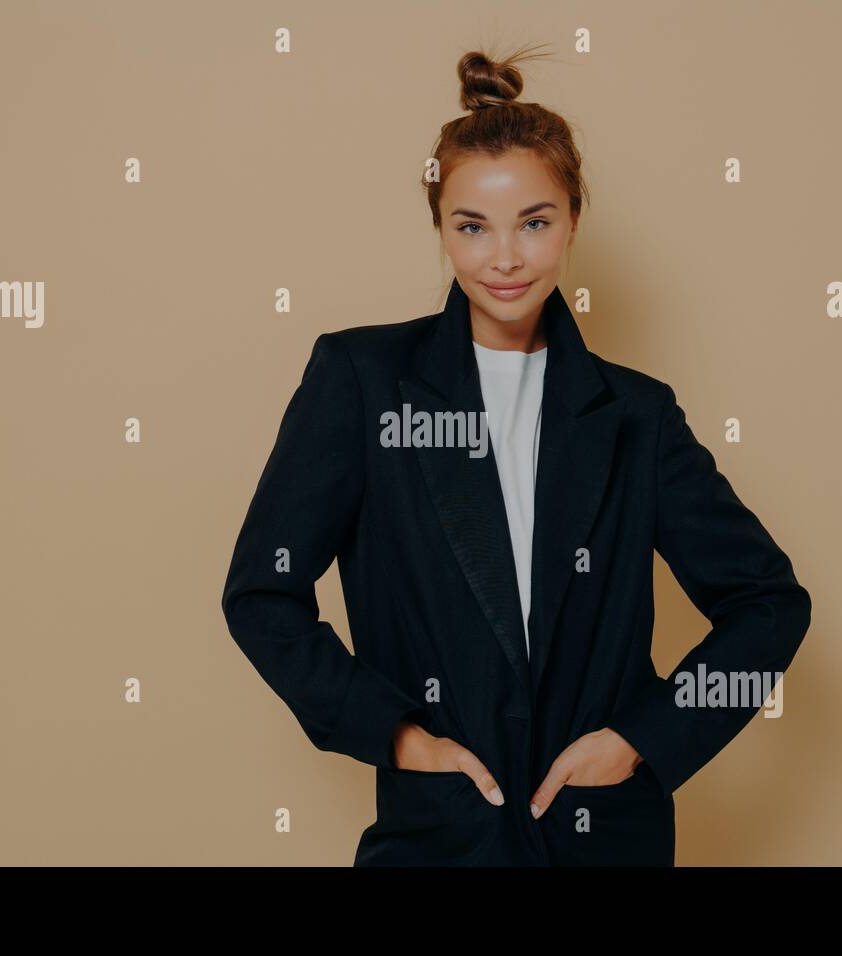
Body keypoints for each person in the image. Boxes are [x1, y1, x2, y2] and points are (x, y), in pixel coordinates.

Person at [221, 44, 812, 866]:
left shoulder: (637, 413)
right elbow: (261, 594)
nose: (505, 258)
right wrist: (396, 734)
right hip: (437, 839)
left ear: (573, 220)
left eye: (534, 223)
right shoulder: (360, 381)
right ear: (440, 227)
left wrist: (642, 740)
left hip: (607, 842)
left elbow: (769, 607)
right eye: (473, 226)